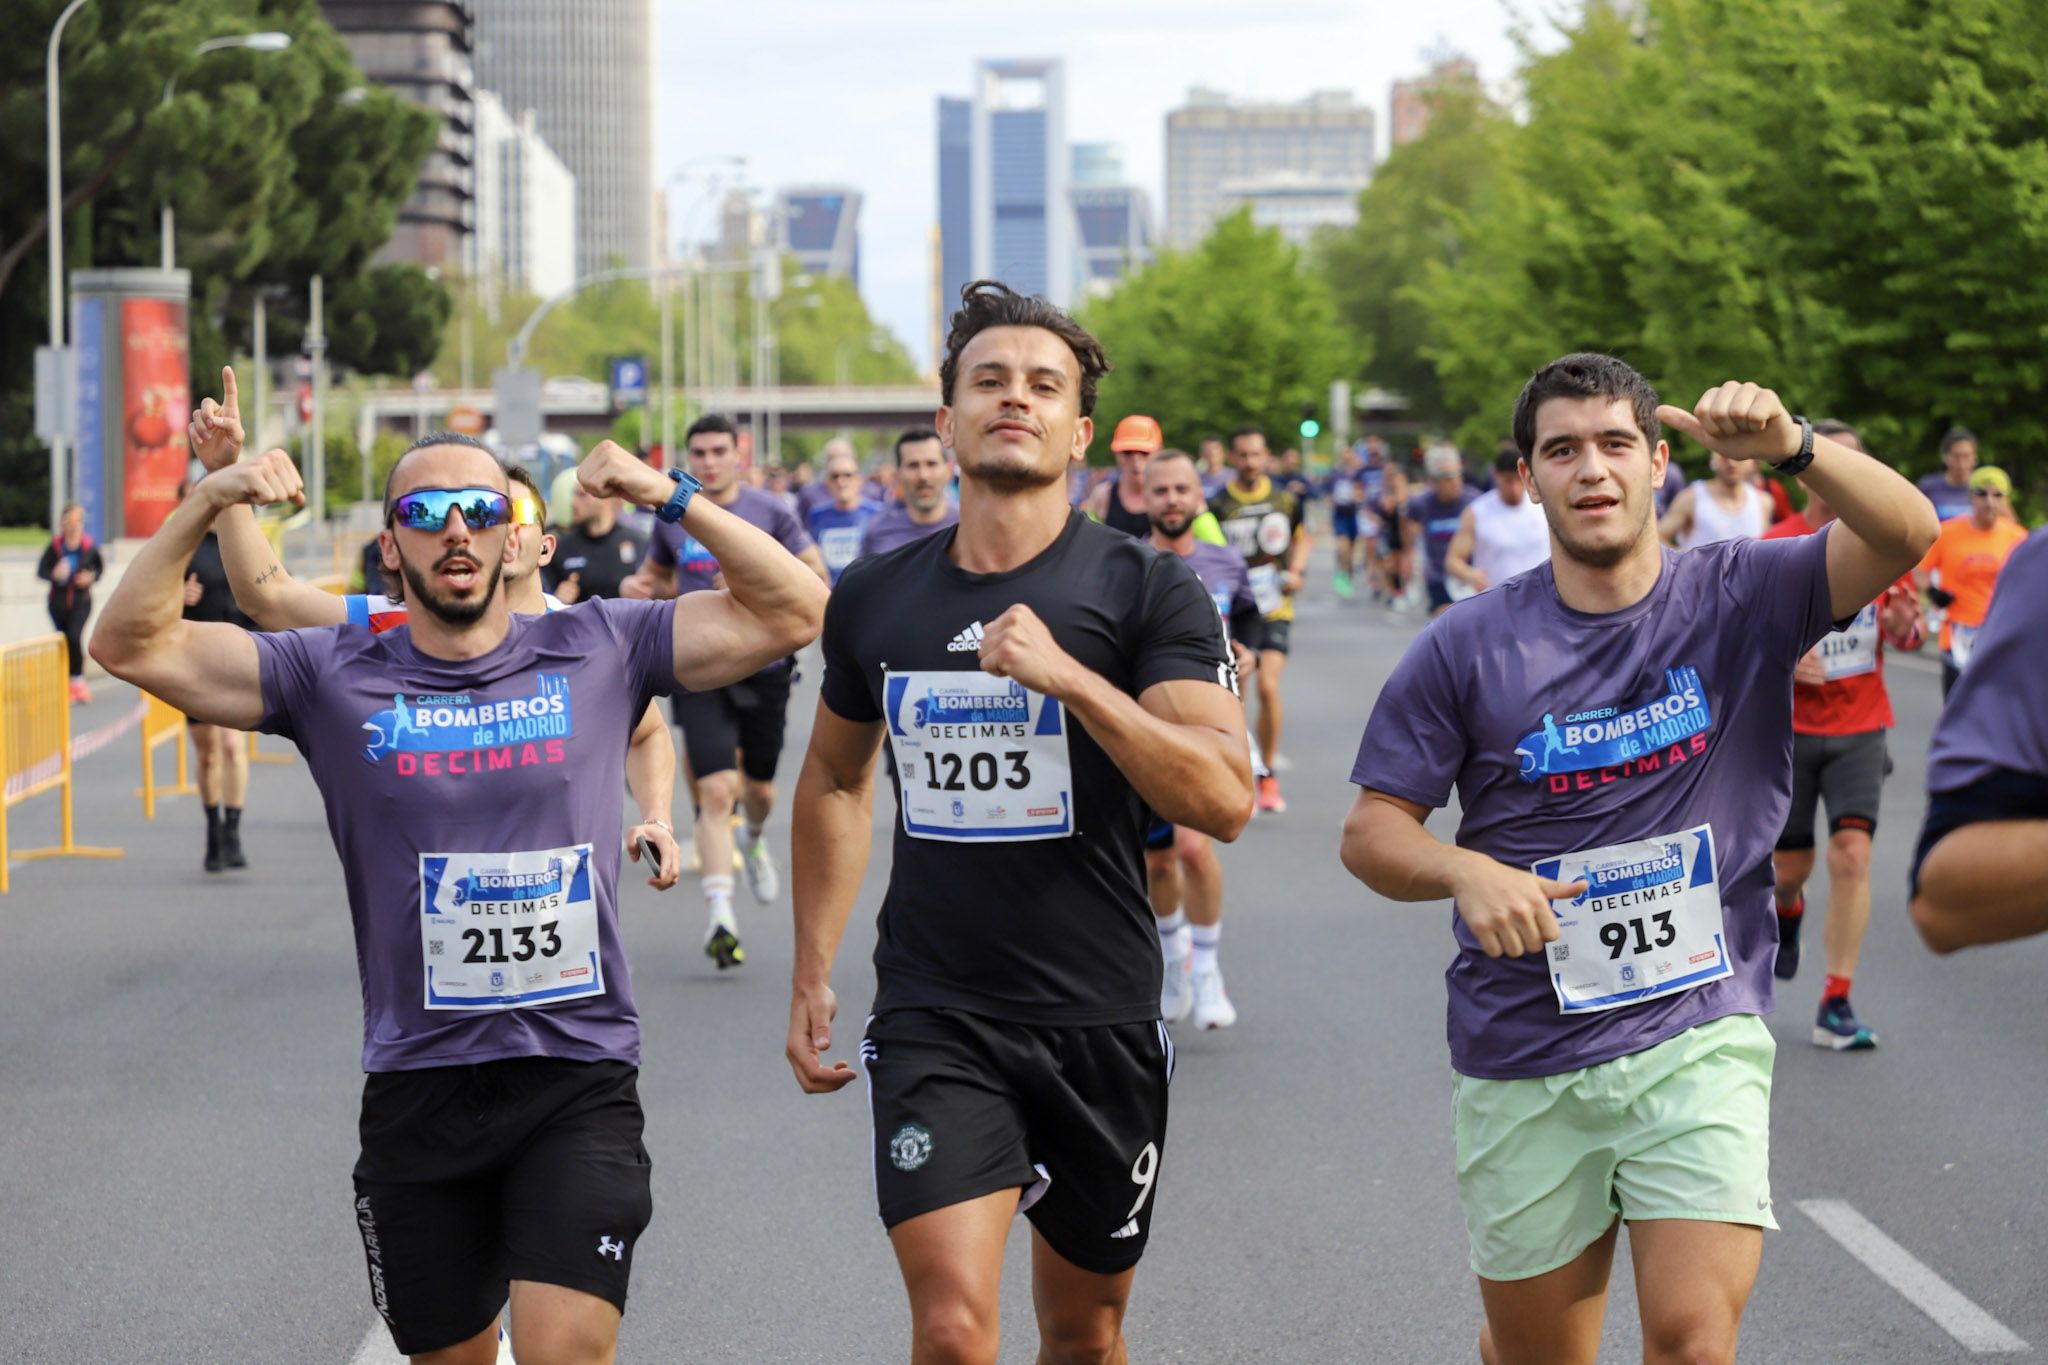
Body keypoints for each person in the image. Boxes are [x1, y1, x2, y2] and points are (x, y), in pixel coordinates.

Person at [89, 433, 826, 1365]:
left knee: (564, 1349)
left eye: (481, 510)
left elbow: (798, 608)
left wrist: (659, 490)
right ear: (390, 547)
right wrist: (210, 494)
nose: (456, 532)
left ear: (516, 536)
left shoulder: (596, 642)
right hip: (419, 1086)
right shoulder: (330, 672)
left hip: (575, 1073)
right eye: (425, 515)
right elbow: (125, 642)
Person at [1340, 353, 1936, 1365]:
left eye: (1614, 443)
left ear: (1658, 462)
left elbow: (1905, 531)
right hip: (1524, 1051)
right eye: (1560, 450)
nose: (1591, 470)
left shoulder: (1743, 591)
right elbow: (1370, 831)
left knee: (1692, 1341)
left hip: (1696, 1030)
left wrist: (1793, 448)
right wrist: (1459, 870)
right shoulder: (1463, 646)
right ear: (1527, 479)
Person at [785, 279, 1251, 1365]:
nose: (1014, 399)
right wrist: (812, 964)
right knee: (951, 1328)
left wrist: (1074, 684)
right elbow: (837, 781)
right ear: (945, 419)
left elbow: (1221, 799)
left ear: (1078, 430)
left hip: (1098, 1012)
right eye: (986, 380)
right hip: (936, 1010)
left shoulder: (1149, 591)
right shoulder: (874, 597)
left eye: (1043, 385)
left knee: (1083, 1333)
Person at [191, 371, 686, 894]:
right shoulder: (400, 618)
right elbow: (268, 597)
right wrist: (225, 480)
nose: (488, 528)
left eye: (507, 513)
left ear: (543, 545)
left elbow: (649, 731)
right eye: (474, 511)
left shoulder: (579, 636)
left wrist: (658, 817)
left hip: (558, 920)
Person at [623, 414, 829, 968]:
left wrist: (753, 580)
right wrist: (640, 588)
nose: (709, 462)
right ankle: (721, 917)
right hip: (700, 670)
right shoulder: (672, 517)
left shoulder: (773, 511)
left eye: (719, 451)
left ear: (738, 455)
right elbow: (658, 576)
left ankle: (756, 840)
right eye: (699, 453)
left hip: (765, 667)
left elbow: (815, 580)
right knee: (716, 791)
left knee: (758, 791)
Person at [1761, 421, 1924, 1050]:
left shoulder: (1882, 541)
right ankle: (1788, 909)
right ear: (1807, 468)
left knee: (1853, 857)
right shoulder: (1776, 544)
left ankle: (1836, 1001)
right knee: (1788, 869)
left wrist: (1908, 630)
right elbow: (1744, 644)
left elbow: (1906, 637)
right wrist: (1785, 658)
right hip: (1791, 728)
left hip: (1861, 725)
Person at [1144, 448, 1261, 1029]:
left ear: (1198, 496)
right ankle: (1173, 959)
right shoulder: (1125, 563)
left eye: (1181, 490)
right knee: (1159, 862)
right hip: (1146, 730)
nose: (1172, 501)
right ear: (1143, 498)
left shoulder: (1223, 562)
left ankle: (1208, 970)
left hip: (1208, 729)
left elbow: (1250, 619)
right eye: (1160, 491)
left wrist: (1251, 651)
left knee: (1194, 847)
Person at [1910, 526, 2048, 952]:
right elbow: (1940, 908)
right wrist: (1934, 605)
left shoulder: (2013, 533)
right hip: (1963, 644)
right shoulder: (2034, 562)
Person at [1211, 425, 1308, 812]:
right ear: (1233, 458)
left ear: (1266, 456)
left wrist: (1297, 569)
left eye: (1256, 455)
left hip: (1274, 606)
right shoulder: (1217, 505)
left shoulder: (1284, 499)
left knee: (1267, 685)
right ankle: (1241, 776)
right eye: (1243, 455)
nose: (1250, 462)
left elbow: (1301, 536)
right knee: (1238, 693)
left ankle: (1268, 774)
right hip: (1235, 609)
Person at [177, 475, 257, 872]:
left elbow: (270, 594)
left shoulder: (246, 540)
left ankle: (234, 831)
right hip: (196, 660)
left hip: (240, 658)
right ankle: (212, 827)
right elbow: (149, 599)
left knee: (231, 746)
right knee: (208, 754)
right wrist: (176, 597)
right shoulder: (184, 545)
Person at [1916, 465, 2029, 697]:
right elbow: (1920, 569)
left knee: (1994, 708)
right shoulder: (1948, 532)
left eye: (1997, 495)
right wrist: (1932, 592)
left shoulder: (2017, 536)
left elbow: (2029, 582)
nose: (1989, 501)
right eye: (1982, 493)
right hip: (1957, 634)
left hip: (1997, 633)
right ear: (1971, 497)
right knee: (1957, 707)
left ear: (2005, 500)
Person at [1447, 445, 1551, 595]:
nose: (1514, 488)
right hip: (1497, 602)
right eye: (1508, 481)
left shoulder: (1544, 505)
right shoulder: (1476, 512)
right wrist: (1471, 575)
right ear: (1495, 476)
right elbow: (1453, 560)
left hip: (1543, 598)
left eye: (1518, 480)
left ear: (1526, 474)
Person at [1402, 443, 1480, 617]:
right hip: (1438, 576)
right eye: (1447, 477)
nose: (1454, 482)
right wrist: (1408, 553)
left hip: (1468, 576)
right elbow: (1407, 522)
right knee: (1446, 621)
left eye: (1457, 475)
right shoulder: (1421, 503)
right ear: (1433, 481)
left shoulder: (1474, 501)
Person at [37, 502, 104, 702]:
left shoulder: (89, 547)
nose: (74, 526)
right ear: (62, 524)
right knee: (63, 643)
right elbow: (41, 571)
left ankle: (78, 680)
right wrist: (54, 573)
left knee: (74, 637)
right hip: (56, 604)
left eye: (79, 521)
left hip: (81, 602)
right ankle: (66, 683)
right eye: (70, 521)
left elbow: (99, 569)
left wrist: (90, 578)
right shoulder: (56, 547)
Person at [859, 427, 960, 557]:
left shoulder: (968, 528)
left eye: (931, 464)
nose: (923, 475)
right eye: (913, 465)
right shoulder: (877, 531)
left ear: (949, 471)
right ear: (897, 475)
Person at [546, 478, 646, 603]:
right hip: (580, 622)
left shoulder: (638, 543)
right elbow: (544, 603)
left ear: (605, 498)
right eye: (574, 494)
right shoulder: (560, 547)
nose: (573, 502)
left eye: (582, 495)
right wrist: (557, 599)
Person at [1659, 450, 1772, 548]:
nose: (1732, 463)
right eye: (1724, 456)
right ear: (1713, 461)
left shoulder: (1763, 502)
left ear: (1752, 463)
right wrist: (1684, 561)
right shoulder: (1691, 498)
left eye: (1739, 457)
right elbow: (1658, 537)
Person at [808, 445, 885, 585]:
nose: (841, 482)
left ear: (859, 479)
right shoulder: (817, 515)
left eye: (848, 475)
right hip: (830, 596)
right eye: (835, 476)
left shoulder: (878, 513)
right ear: (827, 482)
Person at [1083, 413, 1163, 537]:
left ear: (1159, 453)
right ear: (1117, 455)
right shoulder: (1103, 496)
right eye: (1128, 453)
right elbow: (1088, 541)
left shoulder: (1173, 496)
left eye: (1144, 453)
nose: (1136, 461)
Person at [1324, 446, 1369, 600]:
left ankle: (1347, 574)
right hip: (1340, 515)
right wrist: (1332, 502)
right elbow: (1328, 494)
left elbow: (1362, 492)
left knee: (1350, 550)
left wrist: (1357, 496)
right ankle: (1341, 574)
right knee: (1341, 546)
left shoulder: (1358, 474)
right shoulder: (1336, 474)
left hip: (1353, 515)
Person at [1917, 428, 1979, 523]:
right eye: (1956, 456)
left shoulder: (1985, 489)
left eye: (1966, 456)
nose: (1961, 463)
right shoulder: (1928, 487)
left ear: (1975, 458)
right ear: (1945, 457)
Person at [1372, 463, 1413, 605]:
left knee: (1403, 564)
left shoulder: (1403, 493)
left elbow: (1404, 503)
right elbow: (1386, 508)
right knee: (1389, 564)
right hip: (1389, 531)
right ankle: (1393, 591)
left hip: (1402, 532)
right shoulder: (1384, 493)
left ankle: (1402, 590)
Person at [1196, 434, 1230, 498]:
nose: (1211, 452)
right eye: (1207, 450)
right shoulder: (1195, 479)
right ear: (1201, 454)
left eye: (1215, 448)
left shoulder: (1235, 477)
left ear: (1223, 453)